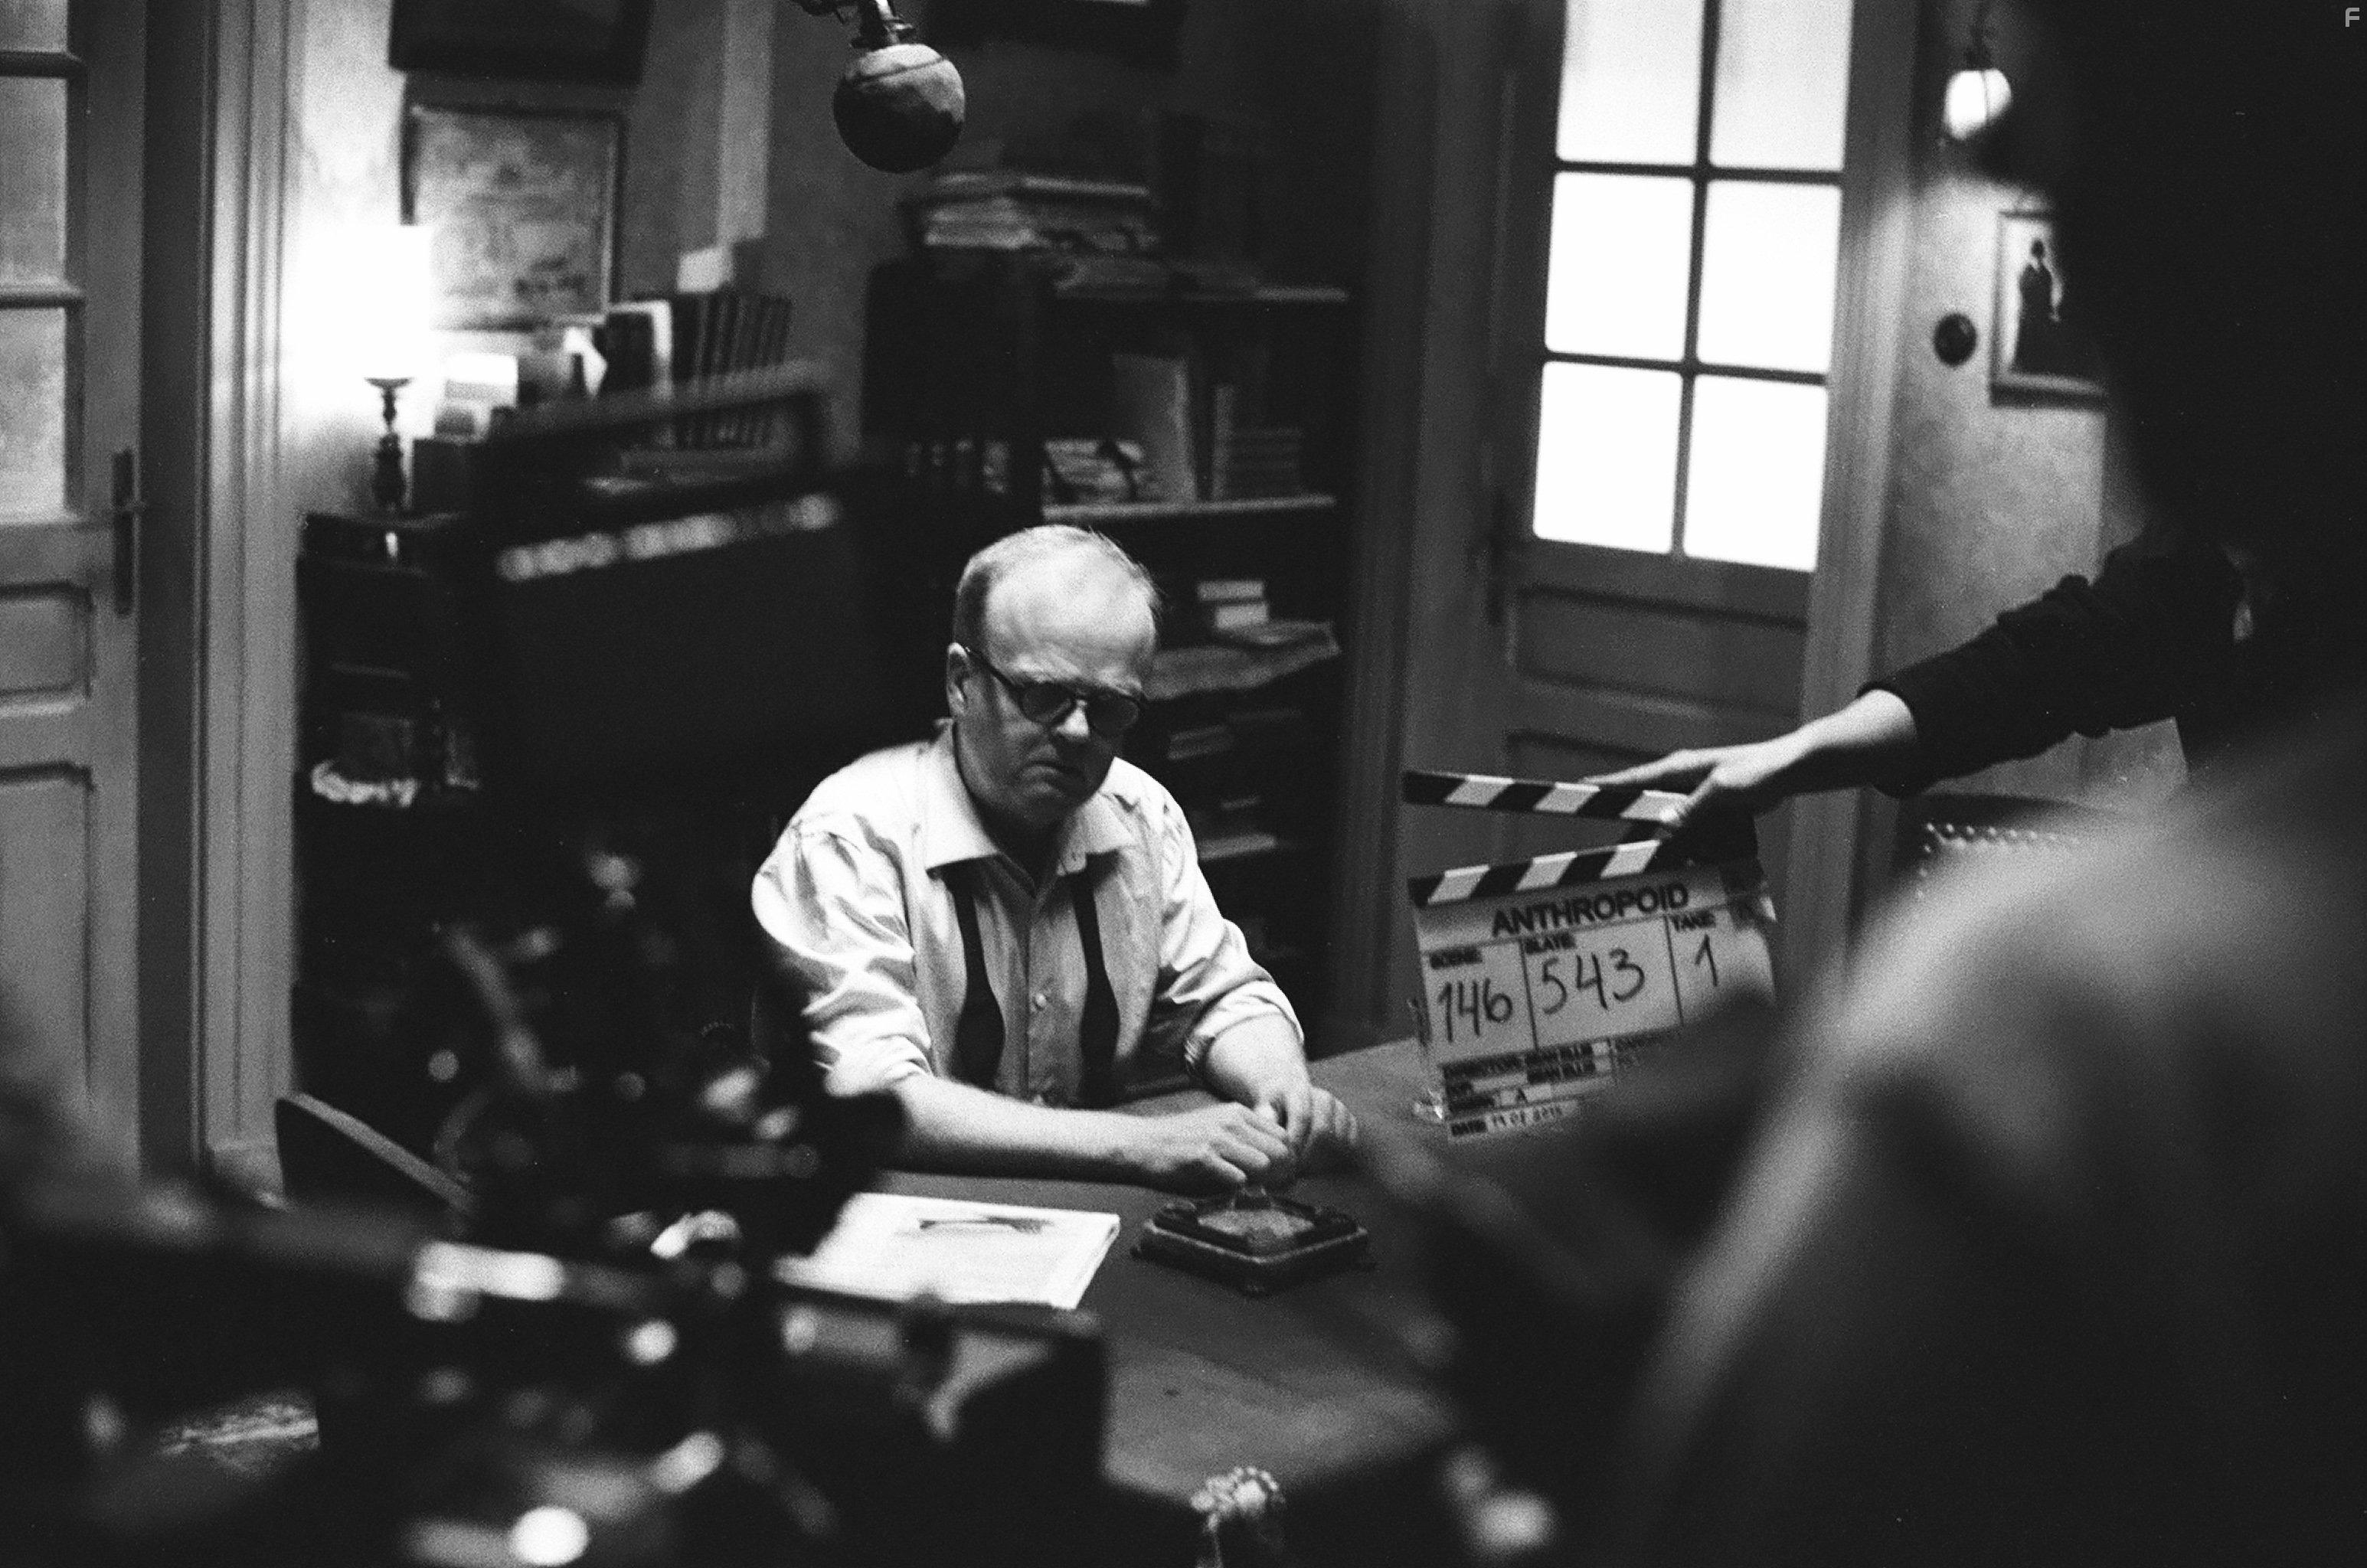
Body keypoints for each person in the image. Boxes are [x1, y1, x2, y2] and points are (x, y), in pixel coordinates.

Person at [1519, 0, 2367, 1561]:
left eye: (2082, 240)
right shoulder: (2244, 576)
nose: (2076, 308)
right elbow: (2068, 653)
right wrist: (1801, 752)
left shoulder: (2079, 1009)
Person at [753, 525, 1356, 1192]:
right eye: (1043, 695)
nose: (1076, 733)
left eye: (1110, 707)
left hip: (1080, 1206)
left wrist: (1282, 1089)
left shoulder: (1140, 813)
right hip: (896, 1216)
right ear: (961, 682)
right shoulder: (848, 834)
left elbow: (1223, 1000)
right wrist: (1141, 1144)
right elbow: (874, 1097)